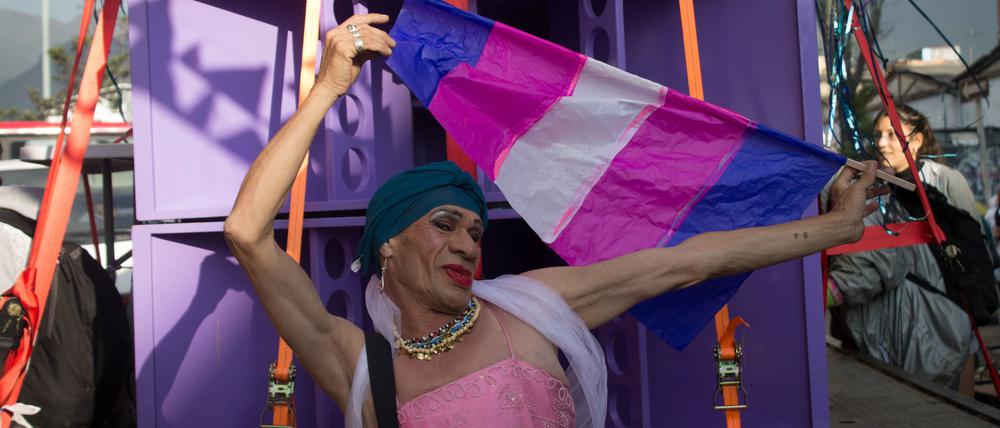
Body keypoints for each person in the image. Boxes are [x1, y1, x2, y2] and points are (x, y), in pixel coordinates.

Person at [224, 14, 880, 427]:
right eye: (445, 224)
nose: (467, 244)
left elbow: (688, 260)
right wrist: (327, 91)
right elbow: (248, 235)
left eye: (476, 232)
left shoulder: (528, 308)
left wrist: (834, 230)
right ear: (388, 244)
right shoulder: (355, 361)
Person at [826, 105, 980, 392]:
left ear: (917, 140)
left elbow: (972, 246)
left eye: (892, 135)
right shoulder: (878, 188)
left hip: (952, 305)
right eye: (879, 135)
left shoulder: (945, 180)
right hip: (906, 318)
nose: (882, 142)